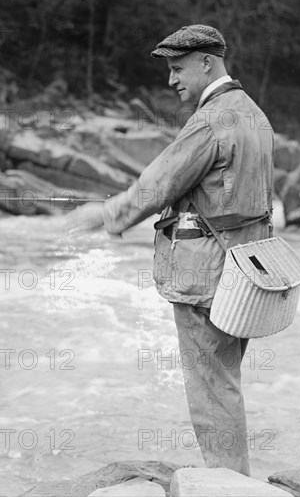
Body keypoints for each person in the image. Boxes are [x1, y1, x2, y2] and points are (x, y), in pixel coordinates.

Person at [68, 24, 274, 476]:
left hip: (208, 275)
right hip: (246, 274)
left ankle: (226, 482)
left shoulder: (209, 121)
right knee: (224, 381)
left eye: (178, 68)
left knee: (210, 386)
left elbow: (157, 186)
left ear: (207, 62)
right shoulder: (254, 113)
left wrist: (106, 216)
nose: (171, 80)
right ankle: (233, 476)